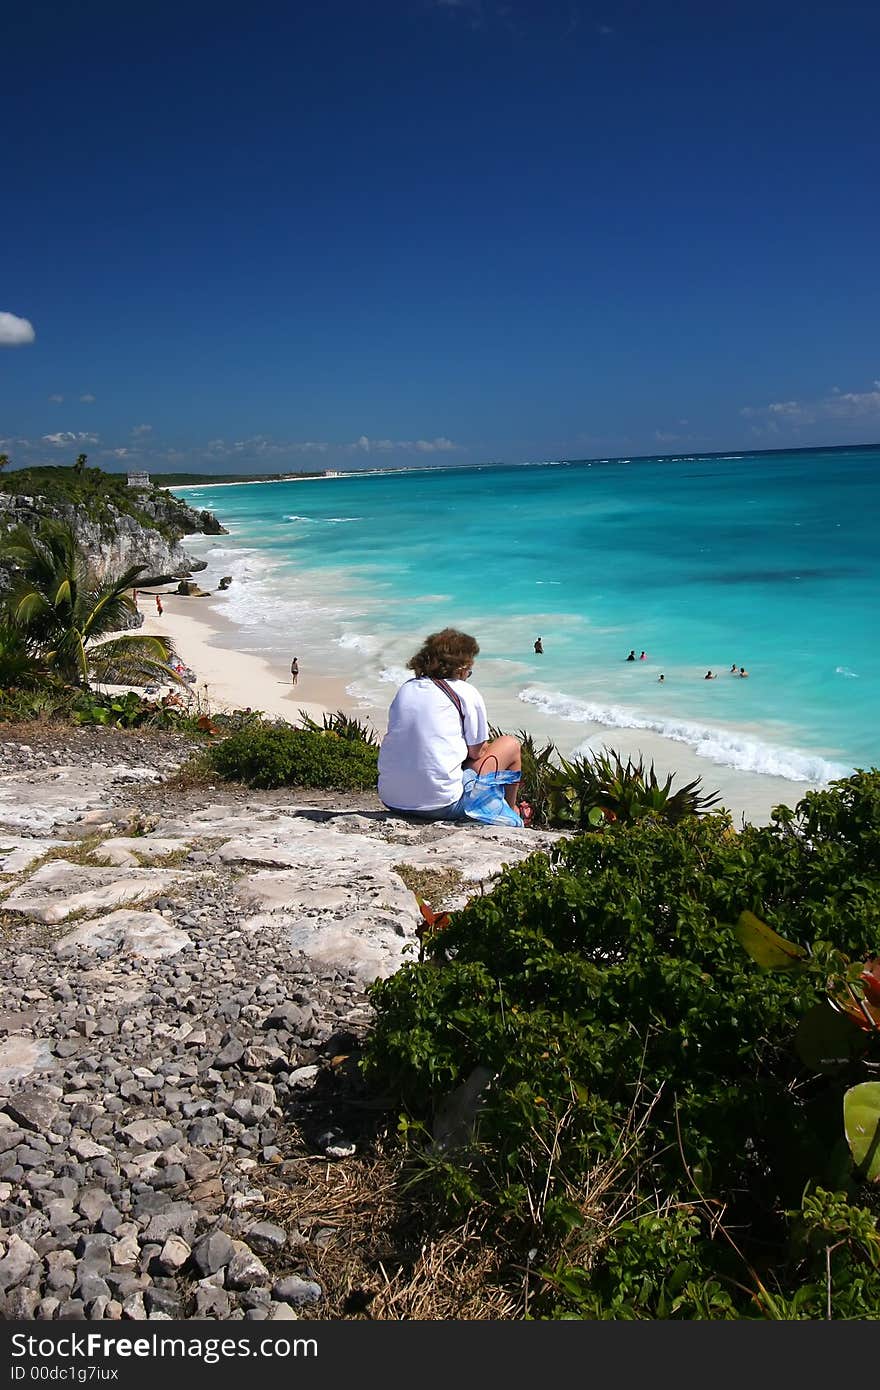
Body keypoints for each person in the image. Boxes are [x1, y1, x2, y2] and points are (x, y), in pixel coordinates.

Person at [378, 627, 522, 822]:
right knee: (510, 745)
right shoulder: (465, 691)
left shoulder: (406, 688)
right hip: (442, 805)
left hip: (392, 799)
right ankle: (512, 810)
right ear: (461, 669)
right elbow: (477, 752)